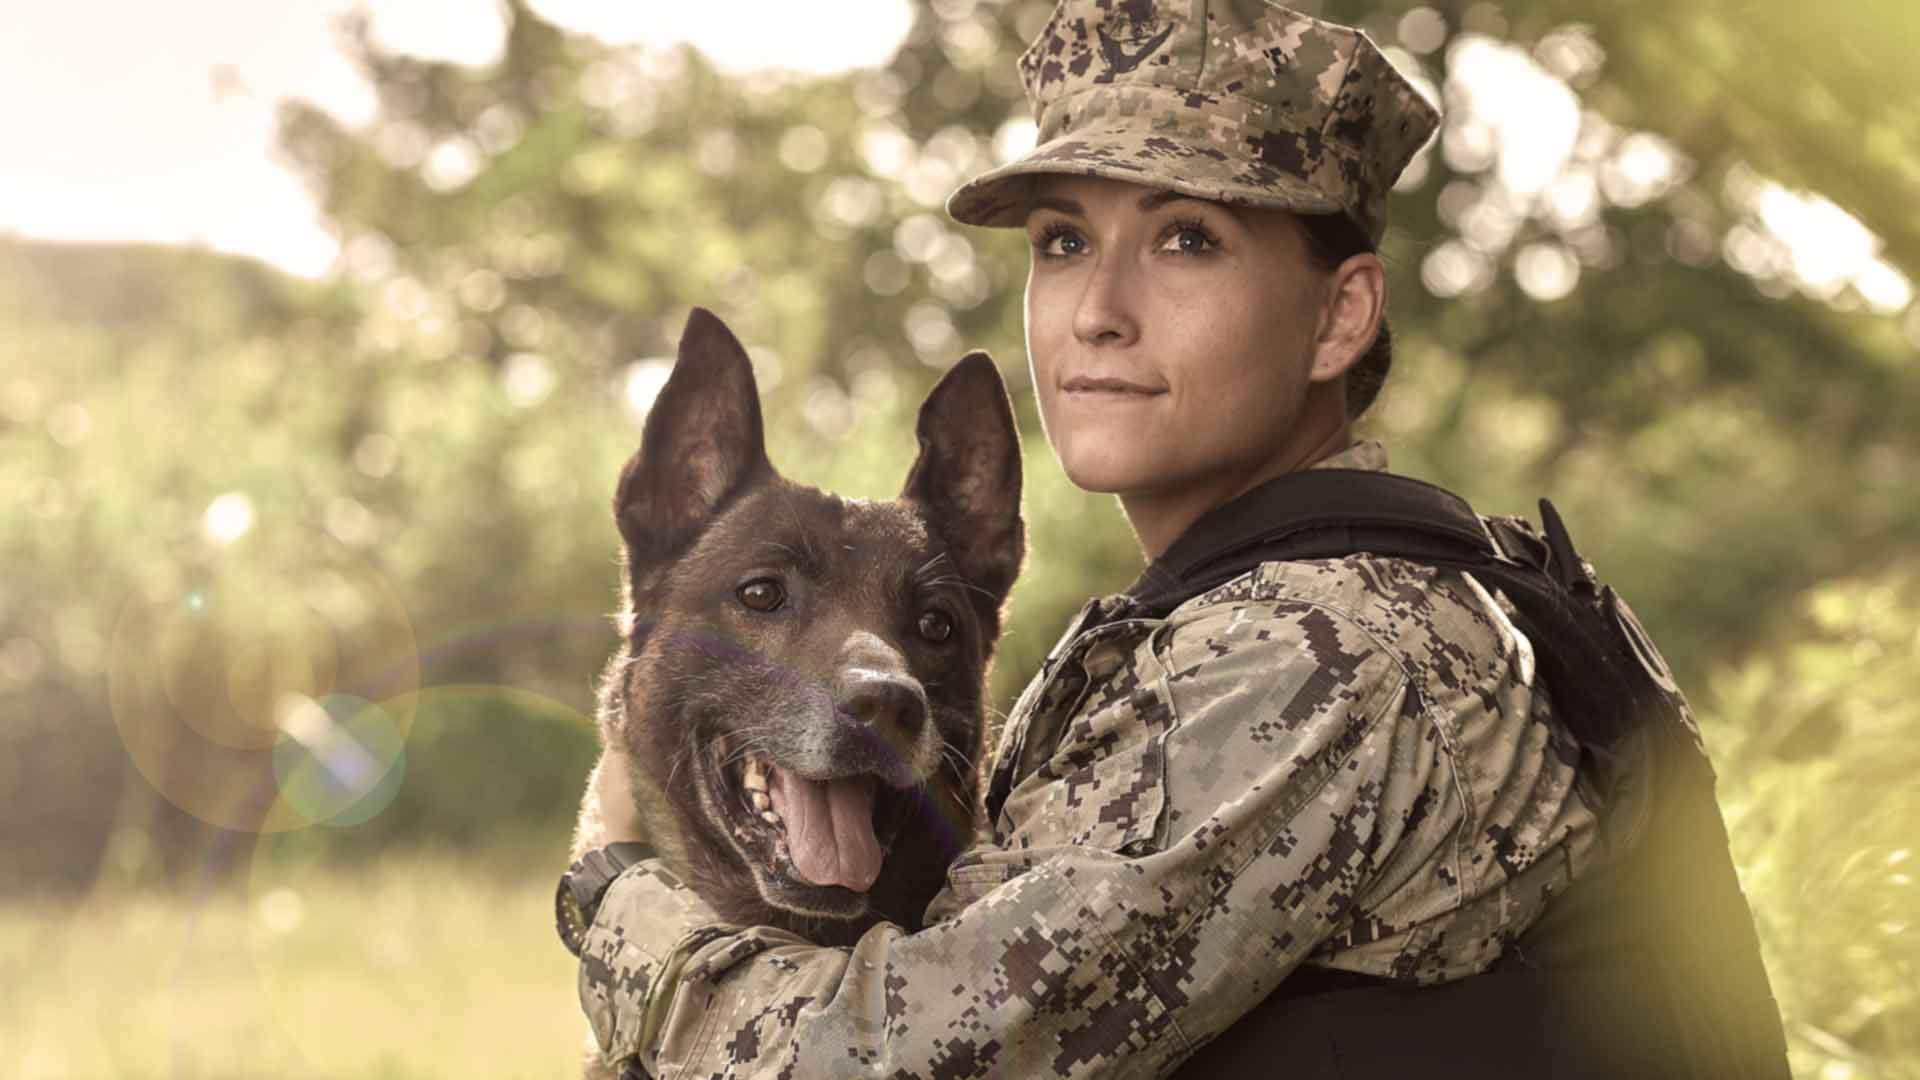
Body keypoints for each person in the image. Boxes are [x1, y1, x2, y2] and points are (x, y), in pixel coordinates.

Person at [562, 2, 1785, 1077]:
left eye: (1187, 239)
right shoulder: (1238, 620)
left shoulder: (1316, 658)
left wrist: (615, 894)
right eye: (1062, 242)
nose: (1099, 310)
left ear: (1338, 315)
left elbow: (888, 1062)